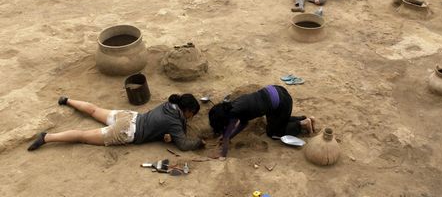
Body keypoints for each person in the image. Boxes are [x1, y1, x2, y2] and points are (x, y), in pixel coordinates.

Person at [27, 94, 204, 151]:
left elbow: (162, 127)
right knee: (82, 136)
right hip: (127, 131)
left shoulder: (170, 103)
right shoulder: (174, 121)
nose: (191, 117)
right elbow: (183, 144)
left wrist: (166, 136)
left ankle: (67, 100)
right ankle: (47, 137)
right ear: (187, 111)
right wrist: (199, 142)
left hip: (129, 116)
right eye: (192, 114)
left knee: (95, 110)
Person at [208, 85, 315, 159]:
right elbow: (243, 123)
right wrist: (230, 136)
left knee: (273, 133)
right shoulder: (232, 106)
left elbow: (226, 136)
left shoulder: (232, 116)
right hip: (275, 91)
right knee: (276, 122)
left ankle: (302, 124)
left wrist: (222, 155)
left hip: (282, 102)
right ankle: (303, 118)